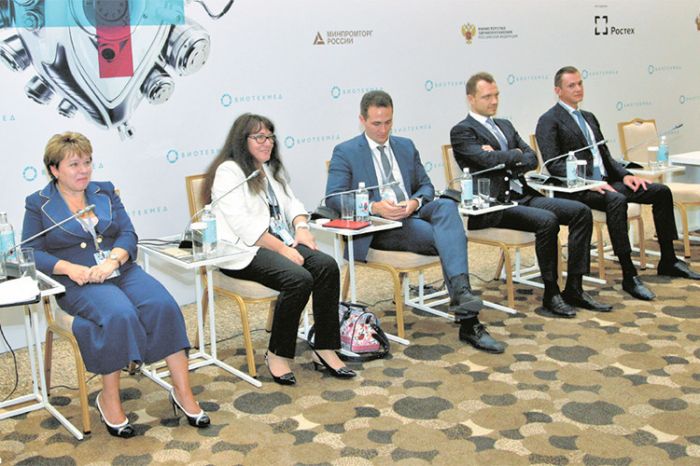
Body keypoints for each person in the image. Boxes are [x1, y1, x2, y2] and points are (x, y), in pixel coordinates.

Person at [22, 132, 209, 438]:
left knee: (162, 305)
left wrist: (113, 261)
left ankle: (183, 392)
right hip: (78, 280)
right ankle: (109, 399)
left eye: (87, 162)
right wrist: (70, 269)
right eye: (74, 164)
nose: (83, 170)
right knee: (119, 314)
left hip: (118, 268)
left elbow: (128, 234)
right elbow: (31, 251)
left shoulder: (104, 191)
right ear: (54, 170)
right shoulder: (38, 204)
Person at [326, 90, 505, 354]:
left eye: (388, 122)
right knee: (450, 237)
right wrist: (374, 206)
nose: (383, 130)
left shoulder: (405, 146)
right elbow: (333, 198)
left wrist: (414, 202)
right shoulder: (346, 151)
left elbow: (426, 186)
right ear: (362, 120)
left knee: (446, 206)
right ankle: (469, 321)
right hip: (381, 226)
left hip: (412, 213)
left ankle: (462, 296)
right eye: (376, 123)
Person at [201, 113, 354, 385]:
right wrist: (283, 250)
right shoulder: (229, 171)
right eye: (259, 137)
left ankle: (325, 347)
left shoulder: (268, 169)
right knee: (298, 278)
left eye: (270, 137)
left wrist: (301, 227)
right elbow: (244, 226)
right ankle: (277, 353)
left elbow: (292, 203)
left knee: (327, 266)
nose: (267, 142)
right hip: (242, 252)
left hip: (277, 242)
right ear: (242, 140)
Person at [451, 72, 611, 317]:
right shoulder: (462, 131)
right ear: (470, 99)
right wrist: (513, 155)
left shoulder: (505, 125)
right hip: (494, 206)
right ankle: (551, 293)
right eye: (487, 97)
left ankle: (574, 288)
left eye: (496, 95)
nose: (494, 101)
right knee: (547, 220)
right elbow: (485, 161)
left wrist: (505, 156)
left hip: (523, 195)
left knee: (580, 212)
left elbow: (532, 159)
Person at [536, 66, 700, 300]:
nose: (578, 89)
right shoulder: (548, 120)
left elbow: (605, 156)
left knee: (661, 192)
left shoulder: (589, 117)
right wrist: (588, 183)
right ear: (558, 91)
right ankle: (628, 273)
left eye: (580, 83)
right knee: (617, 199)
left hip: (607, 182)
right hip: (579, 189)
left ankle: (668, 259)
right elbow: (554, 164)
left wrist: (625, 175)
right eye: (571, 85)